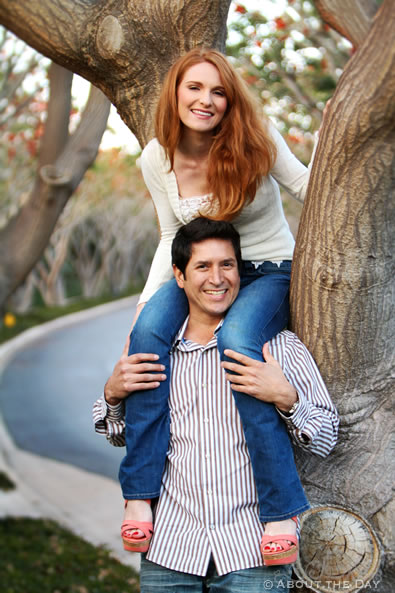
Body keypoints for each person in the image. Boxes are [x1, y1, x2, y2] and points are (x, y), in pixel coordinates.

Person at [110, 47, 321, 557]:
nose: (206, 100)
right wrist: (144, 307)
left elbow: (307, 187)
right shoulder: (156, 158)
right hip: (204, 271)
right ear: (176, 94)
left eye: (218, 92)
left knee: (238, 341)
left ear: (229, 101)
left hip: (268, 270)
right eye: (195, 88)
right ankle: (139, 494)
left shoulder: (254, 137)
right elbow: (169, 235)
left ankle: (279, 510)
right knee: (145, 338)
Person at [95, 218, 339, 591]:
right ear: (179, 276)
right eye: (203, 267)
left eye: (227, 265)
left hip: (254, 551)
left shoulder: (276, 349)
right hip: (170, 549)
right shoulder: (154, 350)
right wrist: (112, 395)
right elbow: (119, 436)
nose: (218, 278)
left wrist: (287, 398)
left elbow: (327, 439)